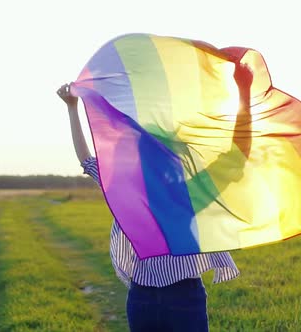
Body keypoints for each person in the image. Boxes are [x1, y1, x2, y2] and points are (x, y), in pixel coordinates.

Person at [57, 62, 252, 332]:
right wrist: (72, 109)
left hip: (181, 298)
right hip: (144, 298)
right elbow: (87, 161)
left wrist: (244, 91)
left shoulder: (190, 191)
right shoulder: (126, 189)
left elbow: (237, 156)